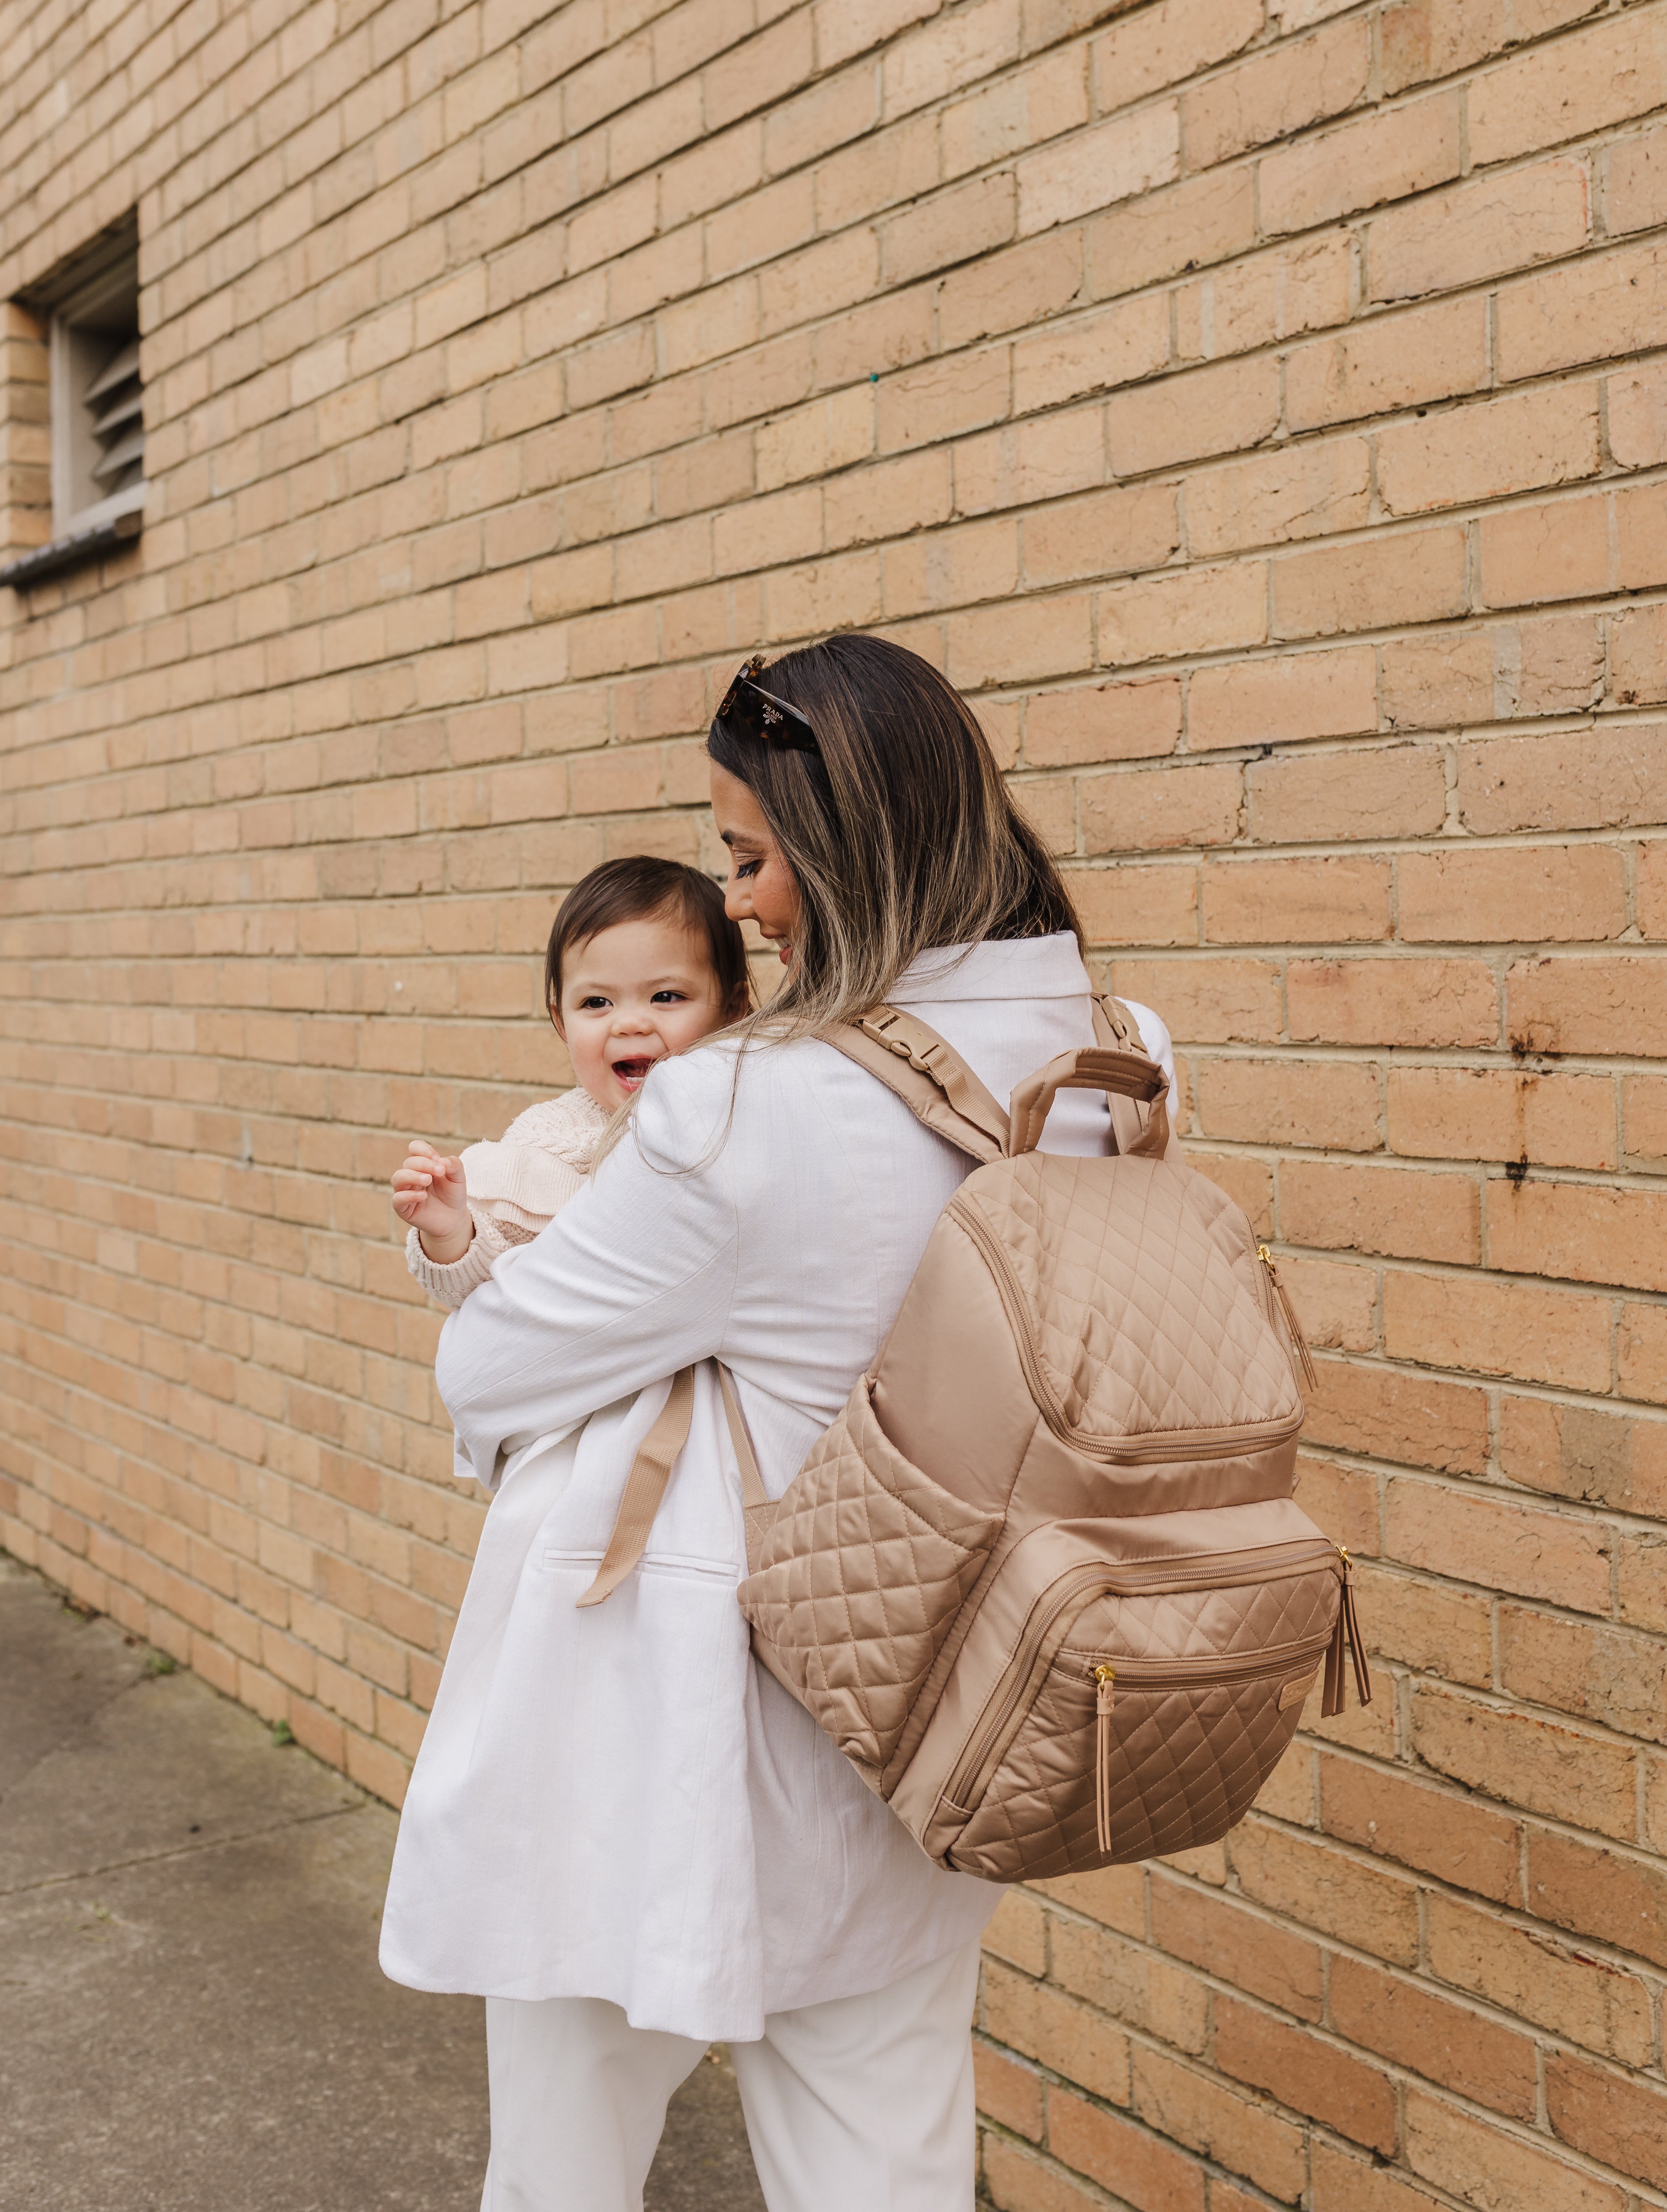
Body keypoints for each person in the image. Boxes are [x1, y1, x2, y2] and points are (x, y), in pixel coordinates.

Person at [379, 635, 1177, 2212]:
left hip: (654, 1743)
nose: (735, 899)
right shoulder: (1118, 1058)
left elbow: (492, 1372)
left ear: (847, 836)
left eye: (749, 856)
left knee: (564, 2165)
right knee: (884, 2168)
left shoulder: (746, 1108)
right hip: (923, 1703)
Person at [390, 857, 751, 1341]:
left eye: (666, 996)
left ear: (732, 1008)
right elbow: (480, 1288)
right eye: (597, 1003)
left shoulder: (751, 1114)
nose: (630, 1024)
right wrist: (451, 1233)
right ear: (561, 1022)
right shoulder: (550, 1141)